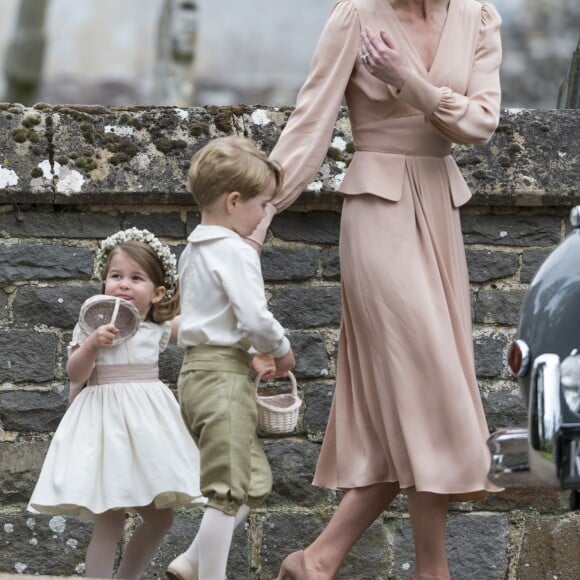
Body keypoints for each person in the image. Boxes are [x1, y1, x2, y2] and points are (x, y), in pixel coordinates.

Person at [245, 1, 504, 578]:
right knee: (429, 385)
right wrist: (259, 216)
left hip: (439, 208)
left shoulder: (479, 16)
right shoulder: (355, 16)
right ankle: (430, 569)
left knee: (411, 402)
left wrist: (410, 83)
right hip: (378, 213)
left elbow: (481, 123)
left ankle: (320, 559)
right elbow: (310, 121)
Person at [29, 227, 204, 580]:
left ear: (156, 293)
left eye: (136, 278)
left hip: (147, 435)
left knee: (161, 517)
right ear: (104, 281)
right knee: (108, 519)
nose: (123, 284)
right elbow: (74, 373)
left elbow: (202, 327)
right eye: (115, 276)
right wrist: (93, 345)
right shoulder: (90, 325)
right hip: (104, 430)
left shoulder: (156, 328)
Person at [166, 136, 296, 580]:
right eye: (263, 204)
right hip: (221, 380)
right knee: (226, 490)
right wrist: (279, 349)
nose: (265, 215)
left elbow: (208, 317)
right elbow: (254, 317)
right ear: (234, 201)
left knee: (252, 482)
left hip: (196, 376)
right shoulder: (236, 251)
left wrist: (250, 354)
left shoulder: (192, 251)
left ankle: (191, 562)